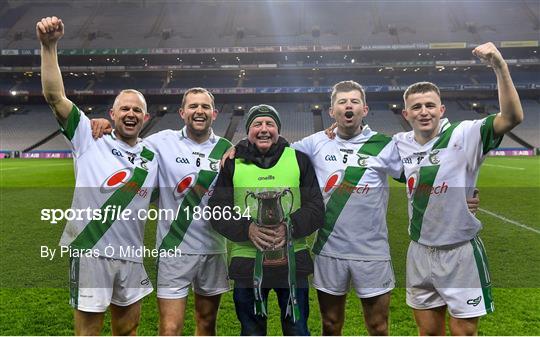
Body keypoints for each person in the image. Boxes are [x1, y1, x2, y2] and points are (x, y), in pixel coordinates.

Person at [38, 16, 158, 335]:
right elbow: (55, 97)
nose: (131, 114)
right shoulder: (89, 138)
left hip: (132, 255)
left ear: (145, 118)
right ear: (112, 115)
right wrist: (48, 46)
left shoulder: (153, 154)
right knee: (88, 332)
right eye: (125, 109)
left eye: (137, 110)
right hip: (92, 251)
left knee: (128, 330)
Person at [393, 42, 523, 335]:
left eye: (429, 105)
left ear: (441, 109)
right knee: (428, 333)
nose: (424, 112)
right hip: (420, 251)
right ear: (406, 114)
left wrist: (499, 65)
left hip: (459, 251)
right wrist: (333, 131)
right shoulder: (398, 145)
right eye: (416, 107)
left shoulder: (466, 134)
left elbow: (513, 118)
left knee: (464, 333)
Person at [91, 87, 232, 335]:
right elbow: (128, 142)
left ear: (215, 113)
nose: (199, 111)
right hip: (173, 248)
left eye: (205, 106)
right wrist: (107, 126)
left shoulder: (227, 148)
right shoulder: (160, 142)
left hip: (213, 248)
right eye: (193, 106)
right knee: (169, 328)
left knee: (207, 323)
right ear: (182, 112)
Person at [209, 104, 324, 335]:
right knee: (251, 332)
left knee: (297, 330)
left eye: (269, 124)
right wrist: (247, 229)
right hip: (247, 263)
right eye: (257, 124)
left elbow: (316, 208)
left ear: (278, 130)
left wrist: (289, 226)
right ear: (248, 131)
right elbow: (217, 209)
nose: (263, 129)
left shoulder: (299, 159)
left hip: (293, 261)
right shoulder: (232, 162)